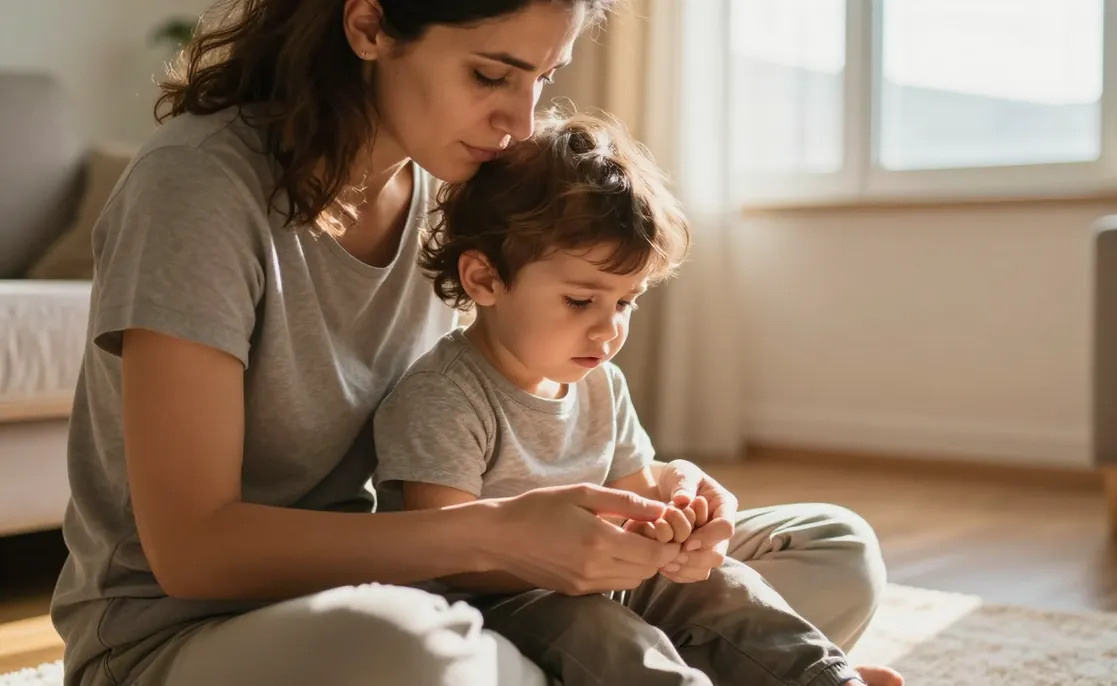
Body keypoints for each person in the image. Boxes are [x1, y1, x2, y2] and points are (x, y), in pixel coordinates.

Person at [48, 1, 895, 685]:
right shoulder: (197, 190)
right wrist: (497, 538)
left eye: (543, 79)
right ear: (369, 25)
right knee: (409, 648)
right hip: (195, 634)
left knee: (831, 548)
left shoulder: (450, 190)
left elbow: (502, 401)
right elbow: (194, 553)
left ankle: (620, 660)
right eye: (492, 74)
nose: (519, 124)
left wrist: (663, 511)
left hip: (431, 575)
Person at [372, 110, 901, 686]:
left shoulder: (600, 382)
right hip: (504, 607)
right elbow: (444, 550)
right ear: (484, 280)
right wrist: (567, 563)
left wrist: (681, 518)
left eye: (625, 303)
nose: (608, 331)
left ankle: (822, 677)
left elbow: (637, 492)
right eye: (580, 301)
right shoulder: (443, 397)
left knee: (728, 583)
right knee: (600, 631)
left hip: (609, 576)